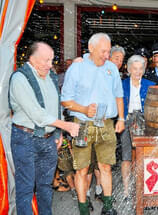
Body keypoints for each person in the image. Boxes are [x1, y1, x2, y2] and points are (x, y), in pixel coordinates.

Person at [9, 41, 80, 215]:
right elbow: (37, 114)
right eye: (46, 60)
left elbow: (56, 106)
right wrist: (66, 125)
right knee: (25, 188)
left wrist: (58, 132)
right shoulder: (20, 78)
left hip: (49, 141)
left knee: (45, 186)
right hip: (25, 139)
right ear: (32, 59)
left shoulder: (50, 76)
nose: (50, 65)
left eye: (52, 60)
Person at [61, 33, 125, 215]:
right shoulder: (76, 68)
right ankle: (83, 209)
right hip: (81, 124)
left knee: (105, 166)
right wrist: (83, 109)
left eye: (108, 51)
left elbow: (119, 95)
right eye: (104, 51)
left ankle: (108, 206)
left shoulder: (112, 68)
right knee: (81, 169)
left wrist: (121, 118)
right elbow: (65, 100)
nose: (107, 55)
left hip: (106, 124)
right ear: (91, 48)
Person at [120, 55, 155, 199]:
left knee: (145, 155)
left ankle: (144, 188)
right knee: (126, 156)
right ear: (128, 69)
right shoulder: (121, 84)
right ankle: (127, 190)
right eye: (134, 68)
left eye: (140, 68)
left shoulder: (150, 84)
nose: (137, 71)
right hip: (127, 120)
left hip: (145, 121)